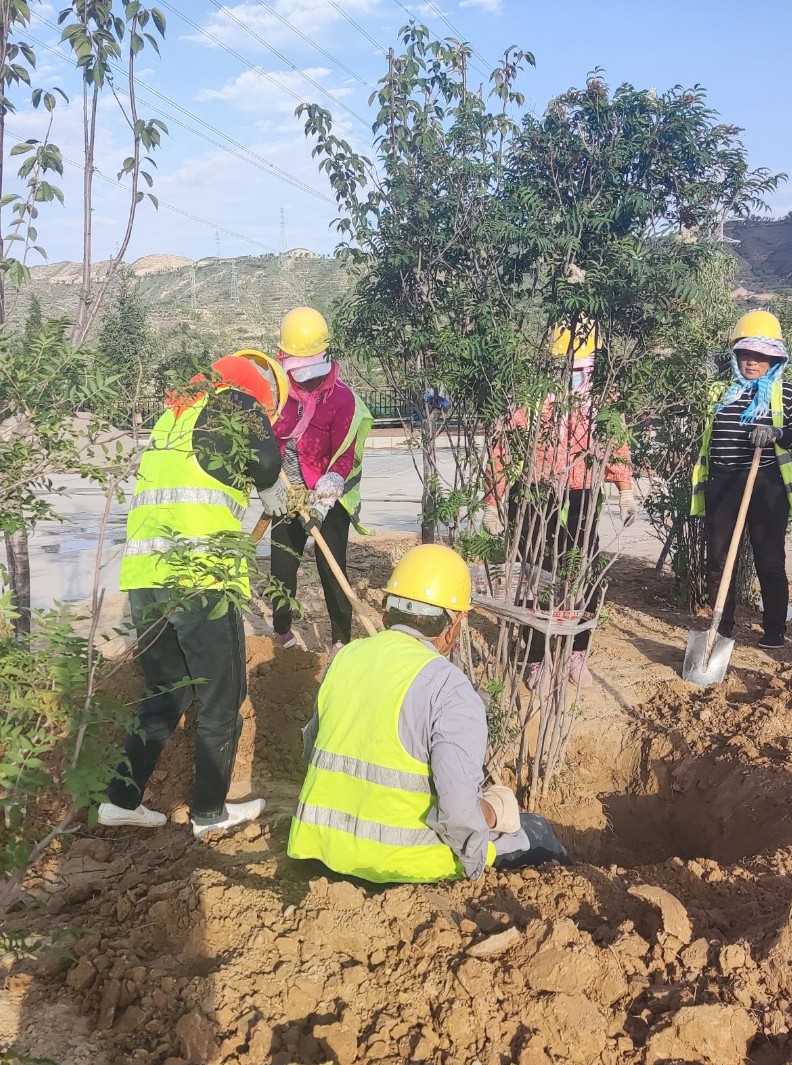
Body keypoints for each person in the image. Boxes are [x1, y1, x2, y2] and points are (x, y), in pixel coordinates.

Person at [287, 544, 573, 884]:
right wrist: (492, 820)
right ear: (454, 626)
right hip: (397, 866)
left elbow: (312, 748)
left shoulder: (345, 658)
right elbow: (457, 816)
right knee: (536, 831)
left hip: (318, 851)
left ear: (386, 614)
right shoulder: (449, 689)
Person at [98, 352, 289, 837]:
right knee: (224, 698)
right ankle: (210, 813)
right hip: (201, 581)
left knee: (167, 695)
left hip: (147, 579)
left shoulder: (174, 416)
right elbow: (266, 460)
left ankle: (121, 801)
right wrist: (274, 487)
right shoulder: (237, 404)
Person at [482, 323, 633, 687]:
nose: (574, 376)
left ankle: (576, 650)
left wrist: (624, 488)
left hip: (581, 497)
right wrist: (493, 500)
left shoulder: (602, 398)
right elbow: (503, 449)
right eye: (567, 367)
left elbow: (616, 441)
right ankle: (536, 655)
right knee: (534, 575)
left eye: (582, 368)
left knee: (582, 572)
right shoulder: (530, 398)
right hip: (535, 496)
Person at [690, 310, 792, 649]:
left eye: (760, 356)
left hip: (765, 485)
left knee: (769, 559)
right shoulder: (721, 393)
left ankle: (774, 628)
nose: (752, 362)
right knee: (718, 560)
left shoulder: (784, 393)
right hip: (723, 483)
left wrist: (777, 432)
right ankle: (722, 627)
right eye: (746, 354)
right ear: (736, 356)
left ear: (774, 359)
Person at [269, 306, 371, 653]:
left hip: (329, 496)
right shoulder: (279, 397)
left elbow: (344, 454)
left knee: (332, 569)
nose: (307, 378)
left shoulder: (342, 399)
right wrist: (273, 485)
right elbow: (272, 441)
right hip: (288, 494)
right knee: (282, 566)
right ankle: (281, 632)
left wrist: (324, 495)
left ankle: (341, 641)